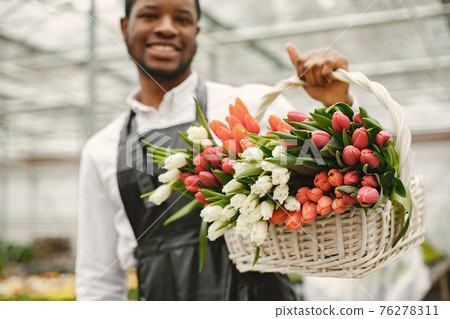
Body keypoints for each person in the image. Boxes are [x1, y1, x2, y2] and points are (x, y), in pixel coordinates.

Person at [75, 0, 354, 301]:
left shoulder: (254, 104)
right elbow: (98, 279)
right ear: (125, 27)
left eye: (181, 19)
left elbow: (336, 186)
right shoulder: (101, 149)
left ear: (195, 32)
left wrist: (336, 106)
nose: (166, 28)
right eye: (150, 15)